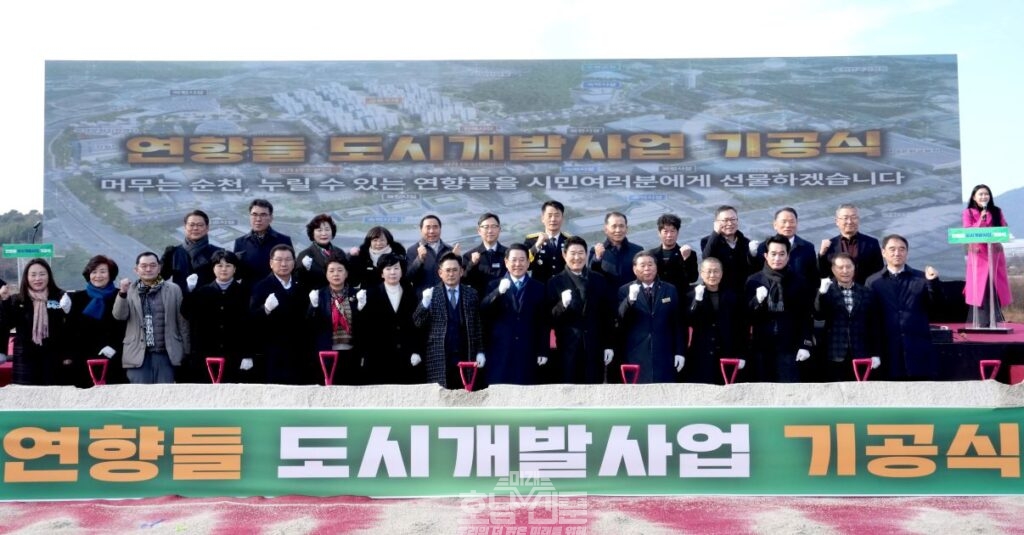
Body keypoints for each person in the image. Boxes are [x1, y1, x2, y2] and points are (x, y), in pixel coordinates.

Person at [866, 234, 944, 381]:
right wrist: (874, 351)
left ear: (907, 252)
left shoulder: (922, 278)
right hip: (888, 351)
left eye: (902, 249)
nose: (897, 253)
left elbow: (938, 307)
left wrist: (933, 283)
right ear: (883, 252)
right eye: (892, 249)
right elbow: (871, 318)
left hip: (918, 349)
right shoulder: (873, 282)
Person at [113, 252, 190, 384]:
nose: (148, 269)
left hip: (167, 354)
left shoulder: (173, 289)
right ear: (136, 270)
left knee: (165, 393)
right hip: (137, 354)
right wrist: (122, 293)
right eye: (144, 266)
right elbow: (120, 316)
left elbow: (182, 322)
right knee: (139, 393)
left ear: (159, 268)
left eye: (153, 265)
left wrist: (186, 350)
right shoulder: (129, 290)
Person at [746, 236, 815, 383]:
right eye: (773, 254)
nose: (777, 258)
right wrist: (757, 301)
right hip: (761, 347)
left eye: (782, 254)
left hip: (790, 347)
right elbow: (746, 317)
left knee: (789, 390)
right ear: (766, 255)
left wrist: (805, 344)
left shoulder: (799, 281)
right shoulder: (754, 280)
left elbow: (806, 316)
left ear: (788, 256)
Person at [548, 236, 615, 384]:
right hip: (567, 350)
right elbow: (549, 319)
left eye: (581, 253)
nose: (577, 257)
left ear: (586, 254)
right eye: (572, 253)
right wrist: (562, 305)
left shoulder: (598, 279)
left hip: (594, 349)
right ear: (564, 255)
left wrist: (609, 345)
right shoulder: (555, 283)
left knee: (594, 390)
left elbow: (607, 316)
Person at [479, 243, 549, 385]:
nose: (518, 264)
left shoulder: (539, 287)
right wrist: (498, 292)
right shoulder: (493, 285)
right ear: (506, 262)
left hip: (527, 350)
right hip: (500, 351)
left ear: (528, 262)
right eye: (514, 260)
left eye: (522, 260)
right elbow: (484, 311)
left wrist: (543, 350)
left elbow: (543, 322)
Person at [413, 252, 485, 389]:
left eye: (454, 270)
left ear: (461, 271)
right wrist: (424, 303)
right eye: (447, 270)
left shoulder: (471, 294)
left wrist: (480, 351)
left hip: (466, 354)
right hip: (438, 355)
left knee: (466, 393)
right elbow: (417, 322)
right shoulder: (431, 294)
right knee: (439, 394)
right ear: (440, 273)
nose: (451, 274)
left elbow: (478, 326)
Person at [183, 250, 253, 383]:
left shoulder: (244, 293)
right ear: (213, 268)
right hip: (206, 355)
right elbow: (186, 313)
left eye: (228, 265)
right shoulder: (203, 291)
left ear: (234, 269)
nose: (224, 269)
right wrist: (189, 291)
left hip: (234, 354)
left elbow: (250, 325)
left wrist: (248, 354)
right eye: (219, 265)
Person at [616, 251, 686, 383]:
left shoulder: (670, 289)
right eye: (642, 265)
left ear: (656, 267)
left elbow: (678, 323)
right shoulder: (624, 290)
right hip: (635, 353)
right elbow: (619, 320)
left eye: (650, 264)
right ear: (635, 269)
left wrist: (680, 352)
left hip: (665, 352)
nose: (647, 268)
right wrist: (630, 300)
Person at [0, 259, 72, 385]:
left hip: (53, 358)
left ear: (49, 276)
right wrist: (4, 301)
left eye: (42, 274)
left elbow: (69, 329)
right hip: (25, 359)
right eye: (33, 275)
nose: (37, 278)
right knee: (25, 394)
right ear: (26, 278)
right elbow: (6, 324)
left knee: (53, 394)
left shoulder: (60, 297)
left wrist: (68, 355)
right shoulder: (17, 299)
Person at [355, 252, 423, 384]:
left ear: (402, 271)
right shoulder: (371, 294)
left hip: (406, 358)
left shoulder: (411, 294)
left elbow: (416, 326)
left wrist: (416, 350)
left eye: (396, 268)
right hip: (379, 358)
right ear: (381, 273)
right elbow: (364, 327)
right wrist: (360, 307)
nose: (393, 272)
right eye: (388, 268)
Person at [249, 244, 311, 385]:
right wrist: (265, 309)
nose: (284, 264)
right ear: (271, 263)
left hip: (297, 353)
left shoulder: (301, 287)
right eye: (279, 260)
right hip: (271, 354)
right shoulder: (261, 287)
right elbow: (251, 321)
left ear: (294, 263)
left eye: (288, 259)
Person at [814, 253, 881, 382]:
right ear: (833, 269)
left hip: (861, 353)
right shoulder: (826, 291)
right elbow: (819, 313)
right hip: (834, 353)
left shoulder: (866, 292)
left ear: (854, 268)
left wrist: (875, 353)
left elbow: (873, 325)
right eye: (840, 267)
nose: (845, 271)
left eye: (849, 267)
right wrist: (821, 293)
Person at [683, 257, 747, 385]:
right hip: (700, 355)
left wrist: (742, 355)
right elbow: (687, 321)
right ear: (701, 273)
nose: (712, 275)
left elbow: (741, 328)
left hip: (726, 354)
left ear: (722, 273)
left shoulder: (733, 296)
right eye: (709, 271)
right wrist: (697, 300)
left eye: (716, 271)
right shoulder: (690, 295)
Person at [67, 255, 128, 386]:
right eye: (94, 272)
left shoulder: (121, 296)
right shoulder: (77, 298)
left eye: (102, 271)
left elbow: (126, 326)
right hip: (84, 360)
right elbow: (71, 329)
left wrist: (115, 347)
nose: (98, 276)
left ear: (110, 274)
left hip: (113, 358)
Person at [962, 184, 1012, 326]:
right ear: (974, 197)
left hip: (994, 252)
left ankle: (995, 320)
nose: (984, 196)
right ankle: (982, 321)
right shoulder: (968, 212)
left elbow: (1003, 229)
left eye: (986, 194)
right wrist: (981, 219)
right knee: (980, 287)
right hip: (978, 254)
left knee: (994, 284)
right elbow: (967, 231)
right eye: (981, 194)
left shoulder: (997, 211)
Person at [308, 253, 360, 385]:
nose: (336, 274)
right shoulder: (318, 295)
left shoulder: (356, 295)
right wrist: (313, 307)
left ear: (346, 273)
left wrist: (361, 308)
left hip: (351, 353)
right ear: (326, 274)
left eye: (340, 270)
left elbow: (363, 325)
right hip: (326, 353)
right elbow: (309, 325)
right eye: (331, 271)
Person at [816, 204, 883, 285]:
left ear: (858, 220)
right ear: (837, 221)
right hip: (838, 291)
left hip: (864, 290)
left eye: (854, 217)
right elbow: (822, 274)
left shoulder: (871, 243)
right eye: (845, 218)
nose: (850, 221)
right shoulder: (829, 245)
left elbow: (879, 272)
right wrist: (821, 254)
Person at [161, 209, 223, 294]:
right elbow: (159, 279)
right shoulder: (173, 253)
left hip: (210, 300)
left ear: (207, 228)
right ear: (185, 227)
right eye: (191, 225)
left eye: (200, 225)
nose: (195, 228)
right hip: (180, 301)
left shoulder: (218, 253)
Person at [700, 205, 757, 295]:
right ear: (716, 223)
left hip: (742, 292)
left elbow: (753, 269)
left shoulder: (746, 242)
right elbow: (707, 258)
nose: (730, 223)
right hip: (720, 293)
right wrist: (715, 233)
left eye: (733, 219)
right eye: (725, 220)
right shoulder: (708, 241)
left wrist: (753, 255)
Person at [233, 198, 293, 281]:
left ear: (271, 218)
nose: (258, 219)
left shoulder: (284, 241)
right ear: (250, 217)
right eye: (254, 214)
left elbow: (291, 270)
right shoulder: (240, 242)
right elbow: (236, 275)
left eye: (263, 215)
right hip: (249, 289)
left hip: (274, 288)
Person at [755, 207, 818, 285]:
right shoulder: (763, 247)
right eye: (784, 222)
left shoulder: (808, 247)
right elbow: (757, 275)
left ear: (797, 223)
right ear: (775, 225)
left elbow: (813, 279)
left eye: (792, 221)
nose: (788, 225)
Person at [589, 211, 644, 290]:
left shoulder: (637, 250)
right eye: (614, 226)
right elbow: (591, 276)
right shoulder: (596, 251)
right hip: (606, 297)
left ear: (626, 229)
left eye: (621, 226)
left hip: (632, 296)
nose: (618, 230)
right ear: (606, 229)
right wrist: (597, 259)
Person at [406, 214, 460, 293]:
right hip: (422, 298)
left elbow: (460, 277)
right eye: (428, 227)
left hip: (445, 296)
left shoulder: (450, 250)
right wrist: (419, 259)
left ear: (440, 229)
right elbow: (408, 278)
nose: (432, 231)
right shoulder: (412, 250)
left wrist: (457, 259)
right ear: (421, 229)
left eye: (435, 227)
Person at [645, 213, 698, 292]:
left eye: (672, 231)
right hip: (658, 296)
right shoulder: (650, 255)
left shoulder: (689, 253)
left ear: (677, 233)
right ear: (659, 233)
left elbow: (693, 278)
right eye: (665, 231)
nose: (669, 235)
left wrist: (686, 260)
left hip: (680, 296)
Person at [295, 213, 348, 291]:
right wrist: (303, 268)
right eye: (319, 230)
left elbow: (347, 277)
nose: (324, 233)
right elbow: (297, 281)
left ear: (332, 231)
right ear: (312, 233)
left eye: (327, 229)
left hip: (339, 296)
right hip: (315, 296)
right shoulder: (304, 255)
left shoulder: (340, 252)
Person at [524, 200, 571, 283]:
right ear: (542, 218)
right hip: (540, 287)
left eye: (557, 215)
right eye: (549, 215)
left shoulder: (570, 241)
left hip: (563, 287)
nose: (553, 219)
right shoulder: (531, 240)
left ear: (562, 218)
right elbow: (526, 266)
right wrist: (537, 246)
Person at [462, 212, 508, 296]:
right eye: (486, 227)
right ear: (479, 231)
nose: (490, 231)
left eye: (494, 226)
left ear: (499, 229)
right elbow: (464, 281)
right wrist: (472, 264)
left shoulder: (509, 254)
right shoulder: (468, 256)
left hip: (506, 300)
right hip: (479, 301)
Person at [349, 226, 406, 290]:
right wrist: (352, 258)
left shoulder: (398, 256)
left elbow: (404, 278)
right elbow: (354, 281)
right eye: (375, 240)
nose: (378, 243)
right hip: (368, 293)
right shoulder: (362, 256)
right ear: (369, 241)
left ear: (388, 240)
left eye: (382, 240)